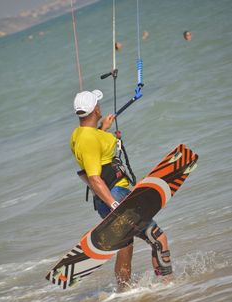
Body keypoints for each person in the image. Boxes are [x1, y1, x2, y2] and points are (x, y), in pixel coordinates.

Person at [70, 90, 172, 290]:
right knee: (159, 239)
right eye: (98, 103)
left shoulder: (79, 135)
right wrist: (116, 206)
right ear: (95, 109)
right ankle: (168, 287)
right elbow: (94, 177)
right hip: (115, 196)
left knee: (125, 246)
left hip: (106, 199)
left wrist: (103, 130)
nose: (100, 106)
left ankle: (123, 292)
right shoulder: (89, 139)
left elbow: (92, 144)